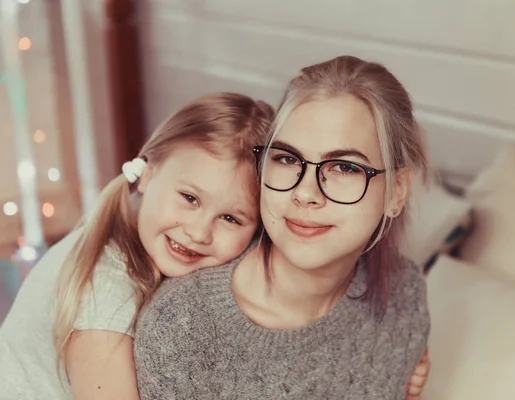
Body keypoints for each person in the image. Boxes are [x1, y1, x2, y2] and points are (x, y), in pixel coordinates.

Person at [134, 55, 430, 399]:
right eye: (287, 159)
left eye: (345, 168)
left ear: (397, 190)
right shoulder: (183, 328)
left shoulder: (405, 295)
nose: (305, 193)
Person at [0, 93, 273, 399]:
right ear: (148, 175)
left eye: (230, 218)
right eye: (190, 198)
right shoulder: (107, 291)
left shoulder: (133, 228)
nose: (198, 232)